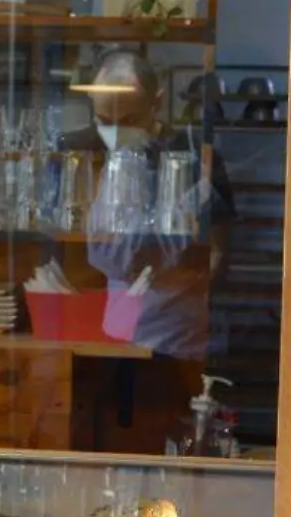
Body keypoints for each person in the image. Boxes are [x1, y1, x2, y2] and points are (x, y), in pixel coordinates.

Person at [61, 47, 235, 363]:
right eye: (103, 120)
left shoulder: (193, 157)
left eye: (128, 120)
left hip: (180, 334)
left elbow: (219, 250)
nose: (114, 133)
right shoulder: (80, 150)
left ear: (156, 103)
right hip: (113, 333)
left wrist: (179, 285)